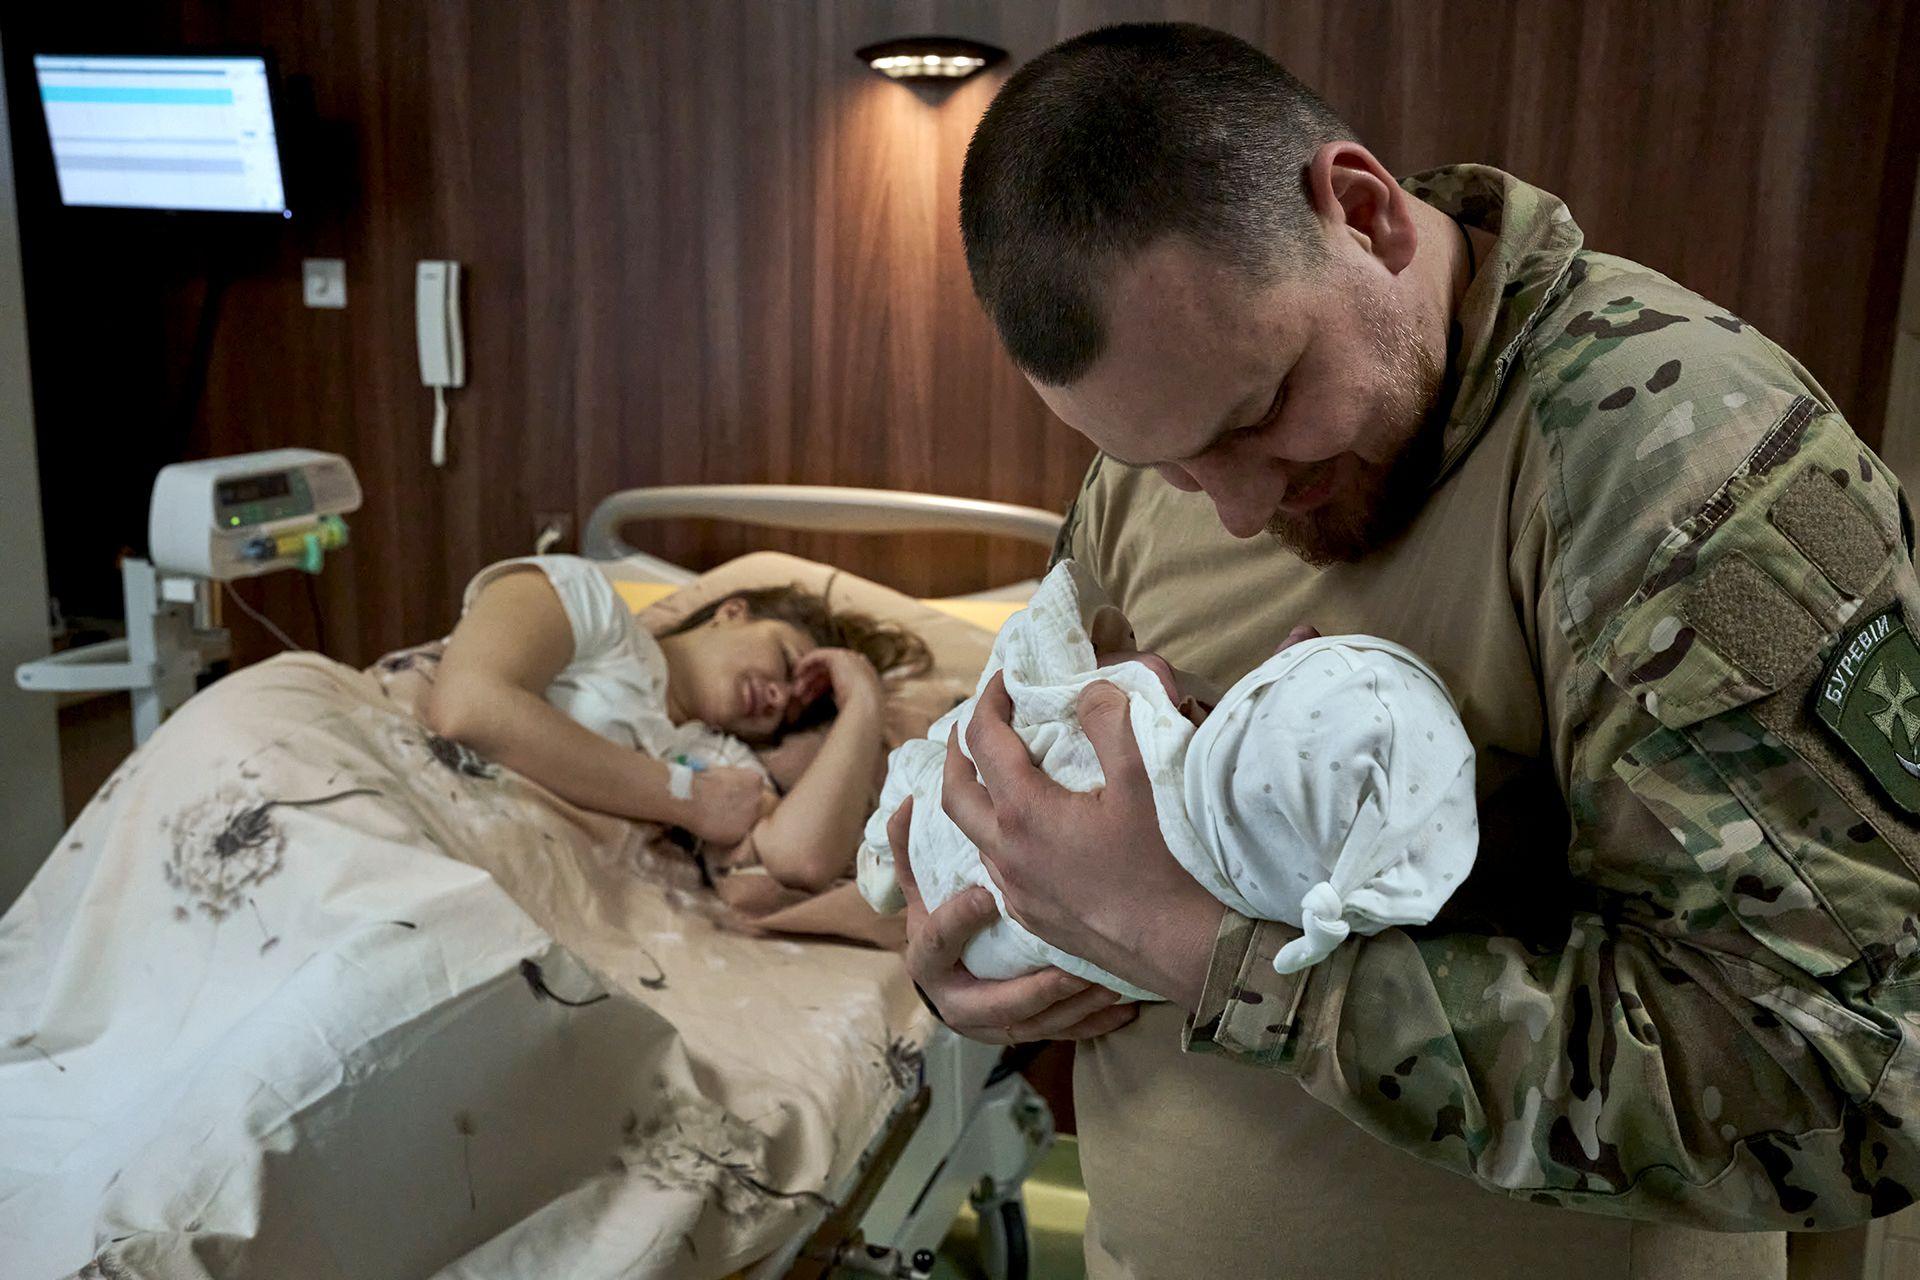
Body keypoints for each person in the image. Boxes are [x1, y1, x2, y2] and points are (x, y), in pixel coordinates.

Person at [886, 21, 1920, 1278]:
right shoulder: (1160, 450)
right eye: (1167, 460)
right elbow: (1050, 812)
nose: (1238, 510)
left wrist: (1215, 955)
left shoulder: (1682, 474)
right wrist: (977, 959)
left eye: (1263, 413)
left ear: (1364, 213)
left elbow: (1853, 1073)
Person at [858, 558, 1478, 997]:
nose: (1298, 635)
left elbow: (1042, 667)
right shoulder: (1113, 487)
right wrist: (939, 982)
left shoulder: (1164, 748)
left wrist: (1159, 935)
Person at [421, 554, 928, 890]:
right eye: (786, 663)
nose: (778, 696)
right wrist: (685, 797)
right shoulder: (589, 606)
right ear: (732, 612)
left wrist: (863, 704)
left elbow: (802, 862)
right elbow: (469, 708)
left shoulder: (717, 759)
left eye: (791, 709)